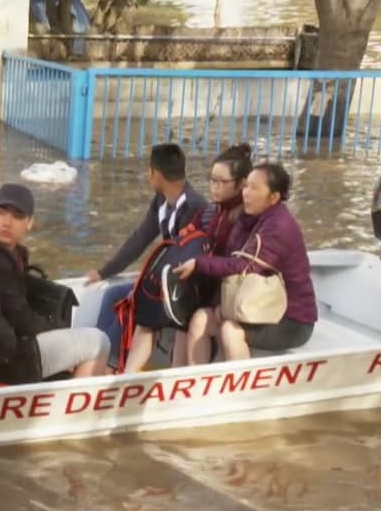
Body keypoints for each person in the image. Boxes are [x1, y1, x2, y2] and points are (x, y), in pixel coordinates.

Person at [0, 183, 109, 384]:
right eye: (1, 213)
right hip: (0, 359)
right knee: (98, 343)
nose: (7, 222)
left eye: (17, 216)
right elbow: (20, 320)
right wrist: (58, 329)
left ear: (29, 223)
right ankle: (72, 403)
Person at [174, 162, 317, 361]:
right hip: (254, 304)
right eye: (246, 186)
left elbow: (245, 266)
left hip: (289, 319)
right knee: (200, 320)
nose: (246, 193)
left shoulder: (279, 226)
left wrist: (199, 263)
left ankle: (240, 382)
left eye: (254, 188)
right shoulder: (248, 217)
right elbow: (231, 259)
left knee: (230, 330)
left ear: (274, 197)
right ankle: (198, 378)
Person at [86, 143, 208, 373]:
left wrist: (145, 285)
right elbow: (139, 239)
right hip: (162, 280)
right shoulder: (161, 201)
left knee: (132, 300)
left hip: (183, 287)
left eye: (149, 170)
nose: (147, 175)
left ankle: (110, 367)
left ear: (158, 175)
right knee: (112, 294)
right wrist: (104, 271)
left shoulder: (195, 207)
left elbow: (183, 255)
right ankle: (96, 354)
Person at [171, 143, 252, 366]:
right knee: (179, 314)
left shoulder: (245, 218)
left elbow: (236, 265)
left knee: (190, 316)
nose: (214, 187)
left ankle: (188, 375)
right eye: (211, 180)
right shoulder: (213, 211)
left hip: (232, 293)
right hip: (208, 286)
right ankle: (178, 375)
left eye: (221, 182)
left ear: (241, 184)